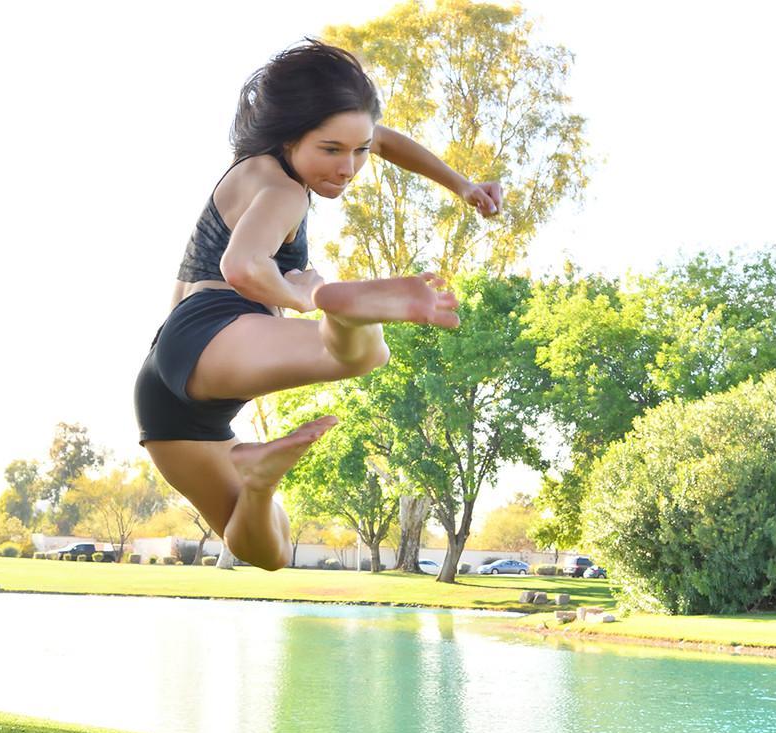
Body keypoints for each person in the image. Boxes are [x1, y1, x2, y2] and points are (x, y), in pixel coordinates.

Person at [133, 39, 502, 570]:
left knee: (271, 550)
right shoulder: (284, 191)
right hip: (214, 328)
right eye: (332, 151)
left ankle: (259, 481)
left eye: (359, 151)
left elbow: (385, 140)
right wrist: (304, 296)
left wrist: (460, 184)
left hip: (167, 390)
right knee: (361, 353)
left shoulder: (259, 163)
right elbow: (241, 266)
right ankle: (341, 306)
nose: (349, 167)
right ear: (292, 136)